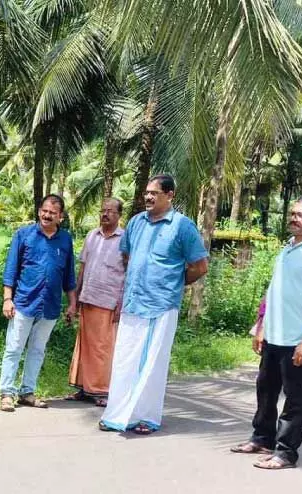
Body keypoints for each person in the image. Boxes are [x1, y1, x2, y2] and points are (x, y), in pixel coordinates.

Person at [231, 196, 302, 470]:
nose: (294, 218)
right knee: (265, 391)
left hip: (297, 339)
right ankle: (262, 438)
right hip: (273, 336)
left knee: (295, 398)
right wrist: (262, 327)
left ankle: (286, 453)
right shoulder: (288, 249)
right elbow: (274, 292)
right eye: (293, 213)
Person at [99, 174, 208, 434]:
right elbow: (126, 255)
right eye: (146, 192)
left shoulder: (183, 226)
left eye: (154, 193)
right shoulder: (136, 223)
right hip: (133, 301)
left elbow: (200, 266)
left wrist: (173, 283)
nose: (148, 197)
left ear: (169, 195)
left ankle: (146, 417)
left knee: (153, 363)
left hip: (162, 304)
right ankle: (116, 415)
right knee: (124, 359)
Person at [0, 195, 77, 412]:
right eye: (44, 210)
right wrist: (8, 299)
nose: (46, 215)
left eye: (52, 212)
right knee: (14, 348)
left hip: (50, 305)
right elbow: (11, 270)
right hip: (24, 302)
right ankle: (6, 393)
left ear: (60, 217)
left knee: (37, 350)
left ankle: (27, 392)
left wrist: (72, 304)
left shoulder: (65, 240)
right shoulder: (24, 235)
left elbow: (69, 275)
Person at [66, 198, 126, 408]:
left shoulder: (125, 239)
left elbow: (129, 273)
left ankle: (101, 390)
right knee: (84, 346)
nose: (105, 214)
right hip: (87, 298)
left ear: (119, 215)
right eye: (102, 210)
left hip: (108, 301)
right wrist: (76, 298)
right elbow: (82, 268)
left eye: (110, 211)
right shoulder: (92, 235)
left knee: (102, 348)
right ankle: (84, 388)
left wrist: (121, 302)